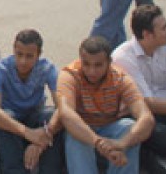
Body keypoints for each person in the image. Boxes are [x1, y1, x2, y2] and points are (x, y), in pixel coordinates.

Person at [111, 5, 166, 172]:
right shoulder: (123, 58)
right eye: (164, 28)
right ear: (147, 35)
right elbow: (149, 103)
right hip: (141, 118)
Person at [58, 36, 155, 174]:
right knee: (75, 132)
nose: (91, 71)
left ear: (109, 62)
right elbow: (66, 113)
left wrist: (122, 144)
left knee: (130, 127)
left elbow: (146, 118)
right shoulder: (70, 75)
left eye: (98, 65)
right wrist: (98, 143)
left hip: (109, 127)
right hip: (83, 128)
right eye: (86, 64)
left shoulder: (120, 78)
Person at [0, 29, 64, 174]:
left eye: (29, 56)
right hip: (12, 122)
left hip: (35, 115)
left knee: (52, 116)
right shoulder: (1, 69)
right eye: (19, 54)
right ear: (13, 51)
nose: (23, 61)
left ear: (38, 55)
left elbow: (63, 106)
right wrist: (28, 133)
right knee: (4, 116)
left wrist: (42, 138)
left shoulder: (47, 68)